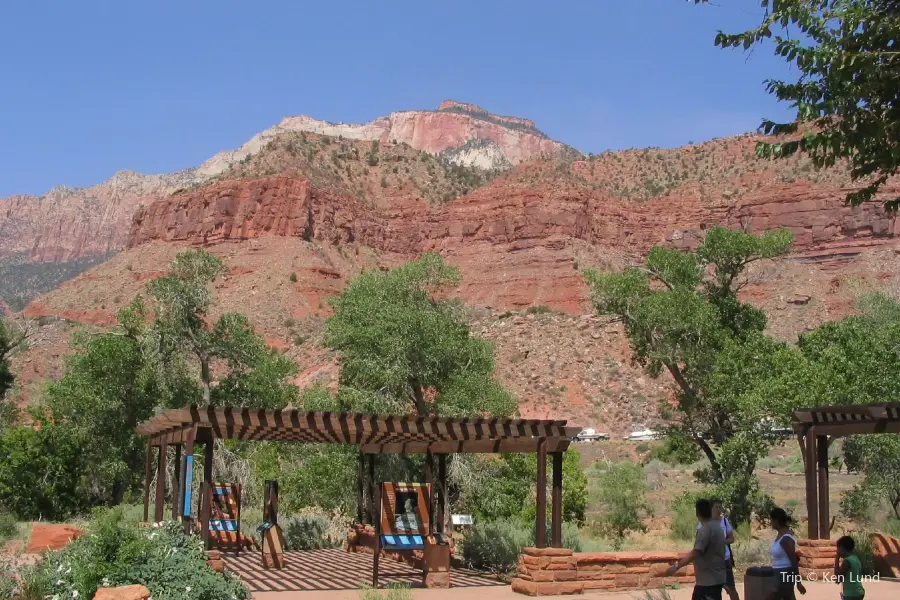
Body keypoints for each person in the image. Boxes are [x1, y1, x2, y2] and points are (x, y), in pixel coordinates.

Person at [667, 498, 727, 600]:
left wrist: (676, 566)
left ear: (697, 512)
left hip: (708, 582)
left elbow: (696, 552)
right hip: (716, 579)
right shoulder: (718, 528)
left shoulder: (706, 530)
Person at [696, 498, 739, 600]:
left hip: (725, 558)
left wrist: (721, 541)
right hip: (712, 561)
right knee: (714, 588)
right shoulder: (703, 524)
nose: (718, 509)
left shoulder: (724, 521)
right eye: (716, 507)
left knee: (731, 588)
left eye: (720, 507)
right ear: (710, 509)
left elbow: (731, 538)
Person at [769, 507, 806, 600]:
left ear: (776, 521)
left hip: (785, 573)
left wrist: (798, 582)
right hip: (778, 573)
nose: (770, 522)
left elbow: (793, 560)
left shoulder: (786, 538)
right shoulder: (780, 536)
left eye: (771, 520)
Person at [833, 535, 865, 600]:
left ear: (842, 548)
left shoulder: (847, 561)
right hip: (859, 591)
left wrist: (837, 558)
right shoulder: (855, 559)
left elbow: (837, 577)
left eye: (838, 549)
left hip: (851, 594)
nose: (837, 551)